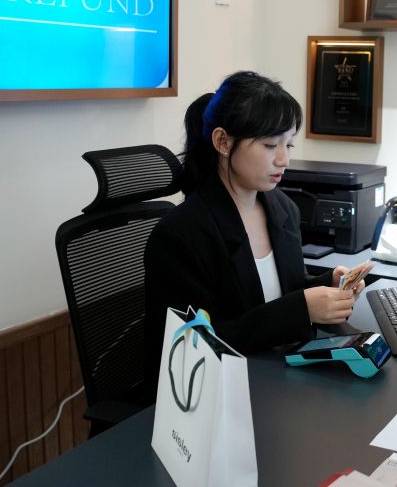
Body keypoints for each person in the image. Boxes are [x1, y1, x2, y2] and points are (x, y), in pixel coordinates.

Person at [143, 72, 362, 395]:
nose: (284, 159)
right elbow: (198, 345)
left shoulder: (282, 208)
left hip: (278, 378)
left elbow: (278, 291)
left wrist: (327, 284)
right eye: (270, 145)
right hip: (219, 394)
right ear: (222, 142)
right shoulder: (180, 235)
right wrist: (301, 308)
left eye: (288, 144)